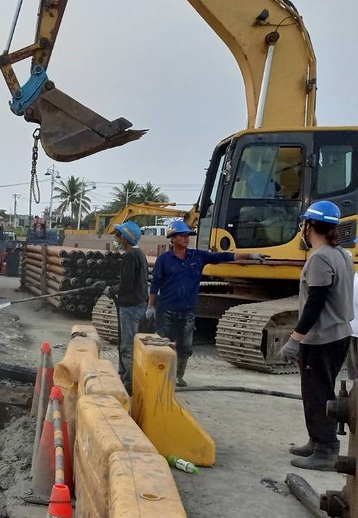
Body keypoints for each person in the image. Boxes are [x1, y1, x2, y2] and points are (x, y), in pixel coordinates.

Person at [279, 200, 354, 471]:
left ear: (309, 226)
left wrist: (295, 339)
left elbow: (316, 303)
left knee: (317, 394)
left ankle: (326, 449)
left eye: (304, 223)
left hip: (322, 338)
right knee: (321, 390)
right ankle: (317, 440)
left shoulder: (320, 257)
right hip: (338, 333)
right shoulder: (341, 254)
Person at [147, 219, 268, 388]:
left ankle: (178, 376)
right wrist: (151, 306)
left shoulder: (197, 256)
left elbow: (223, 256)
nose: (186, 239)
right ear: (172, 238)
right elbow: (155, 284)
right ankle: (162, 376)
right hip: (166, 309)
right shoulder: (164, 260)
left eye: (187, 235)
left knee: (185, 346)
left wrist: (250, 255)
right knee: (165, 345)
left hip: (187, 310)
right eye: (182, 236)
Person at [104, 222, 148, 390]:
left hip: (130, 307)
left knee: (127, 345)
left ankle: (129, 383)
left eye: (119, 235)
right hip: (137, 304)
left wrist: (110, 290)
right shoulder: (140, 254)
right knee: (127, 342)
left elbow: (126, 284)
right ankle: (123, 376)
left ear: (125, 237)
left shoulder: (130, 256)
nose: (117, 238)